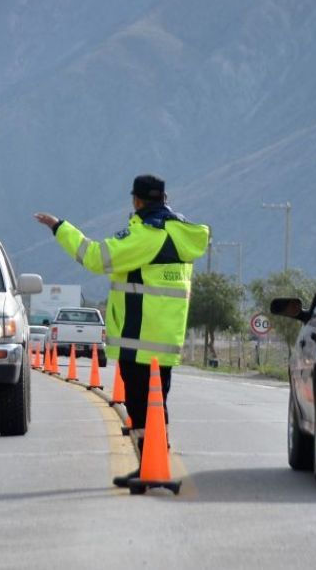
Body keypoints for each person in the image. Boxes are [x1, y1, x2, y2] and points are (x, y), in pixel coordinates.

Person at [34, 173, 209, 487]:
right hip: (165, 339)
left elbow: (95, 258)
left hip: (138, 338)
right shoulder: (180, 234)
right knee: (155, 405)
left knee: (142, 408)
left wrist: (60, 228)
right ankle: (151, 463)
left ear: (137, 201)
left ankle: (151, 466)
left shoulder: (147, 237)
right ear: (165, 199)